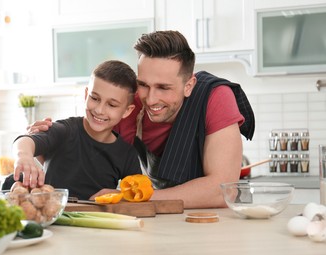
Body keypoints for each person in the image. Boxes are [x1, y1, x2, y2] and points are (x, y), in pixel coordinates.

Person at [27, 31, 255, 209]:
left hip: (212, 222)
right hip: (158, 218)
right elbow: (80, 144)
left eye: (164, 88)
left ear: (189, 86)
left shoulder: (215, 97)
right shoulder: (127, 106)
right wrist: (44, 142)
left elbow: (223, 190)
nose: (150, 98)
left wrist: (136, 198)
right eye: (143, 84)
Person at [11, 60, 142, 200]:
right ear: (86, 95)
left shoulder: (127, 154)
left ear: (127, 111)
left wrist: (120, 195)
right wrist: (24, 156)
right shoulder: (63, 130)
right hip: (54, 219)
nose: (99, 110)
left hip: (96, 221)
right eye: (95, 98)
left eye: (112, 104)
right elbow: (25, 141)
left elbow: (139, 193)